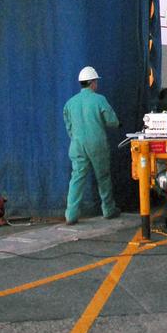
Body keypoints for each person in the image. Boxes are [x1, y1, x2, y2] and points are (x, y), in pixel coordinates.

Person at [63, 66, 121, 224]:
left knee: (76, 179)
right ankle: (108, 209)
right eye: (96, 81)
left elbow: (68, 126)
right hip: (97, 144)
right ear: (92, 83)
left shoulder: (70, 103)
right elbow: (112, 121)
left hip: (77, 145)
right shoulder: (99, 100)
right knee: (103, 177)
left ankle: (71, 215)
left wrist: (77, 138)